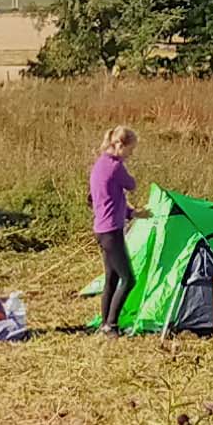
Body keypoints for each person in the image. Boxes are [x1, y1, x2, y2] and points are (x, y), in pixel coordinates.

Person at [90, 125, 145, 335]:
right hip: (111, 231)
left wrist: (132, 213)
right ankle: (111, 325)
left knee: (111, 278)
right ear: (120, 146)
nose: (131, 155)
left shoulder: (100, 164)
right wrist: (123, 165)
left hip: (102, 228)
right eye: (130, 150)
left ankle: (105, 323)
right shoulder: (115, 166)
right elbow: (131, 185)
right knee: (128, 279)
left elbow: (109, 200)